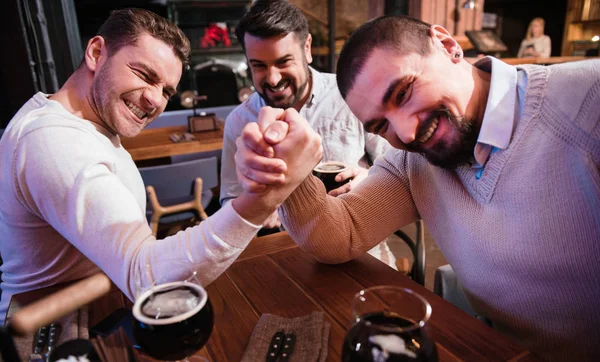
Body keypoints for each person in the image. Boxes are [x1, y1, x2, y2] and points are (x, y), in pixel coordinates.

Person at [235, 15, 600, 361]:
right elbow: (340, 234)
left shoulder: (589, 101)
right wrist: (288, 171)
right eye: (381, 126)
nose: (406, 134)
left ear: (446, 44)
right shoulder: (414, 162)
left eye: (404, 93)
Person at [0, 8, 310, 324]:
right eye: (145, 75)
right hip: (49, 336)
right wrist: (267, 196)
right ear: (96, 53)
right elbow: (146, 278)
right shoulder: (52, 140)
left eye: (166, 91)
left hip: (94, 313)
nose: (154, 100)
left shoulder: (88, 126)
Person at [220, 1, 394, 263]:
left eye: (283, 62)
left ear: (307, 48)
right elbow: (230, 199)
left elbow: (399, 170)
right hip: (281, 256)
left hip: (359, 248)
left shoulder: (350, 94)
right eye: (258, 66)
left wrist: (369, 181)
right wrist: (253, 212)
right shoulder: (238, 121)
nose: (273, 78)